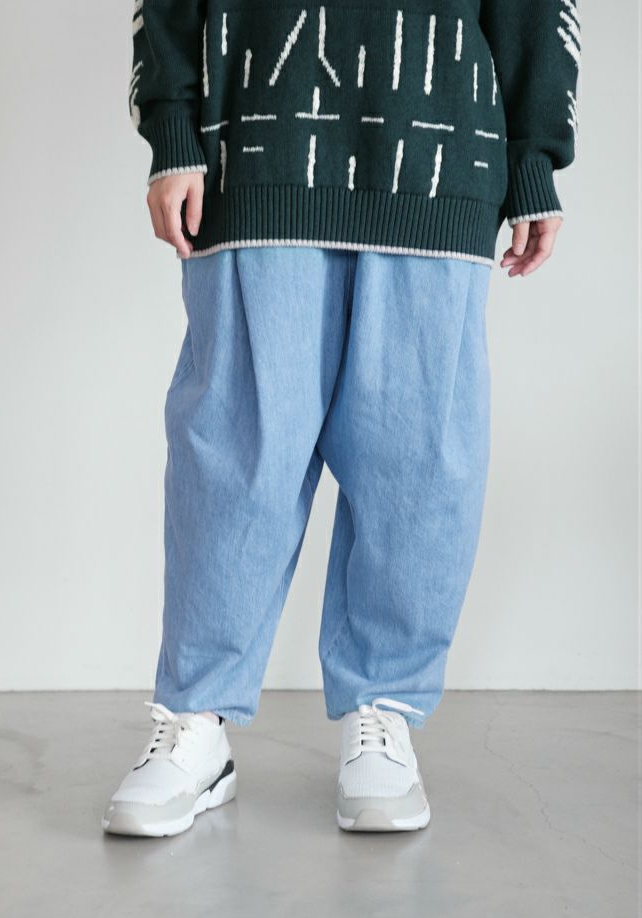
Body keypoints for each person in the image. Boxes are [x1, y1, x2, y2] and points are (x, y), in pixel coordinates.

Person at [102, 0, 580, 836]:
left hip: (442, 153)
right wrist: (172, 131)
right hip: (256, 141)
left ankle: (383, 711)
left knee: (418, 463)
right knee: (234, 454)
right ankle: (196, 720)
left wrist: (533, 157)